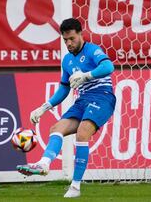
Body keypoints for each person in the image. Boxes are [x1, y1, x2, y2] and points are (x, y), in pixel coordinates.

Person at [16, 18, 116, 198]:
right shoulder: (67, 60)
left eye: (72, 39)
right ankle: (44, 164)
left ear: (80, 34)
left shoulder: (92, 50)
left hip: (102, 97)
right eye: (65, 40)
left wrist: (87, 76)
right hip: (83, 99)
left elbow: (108, 66)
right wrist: (44, 107)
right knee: (56, 128)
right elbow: (64, 87)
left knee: (83, 132)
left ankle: (75, 187)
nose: (69, 43)